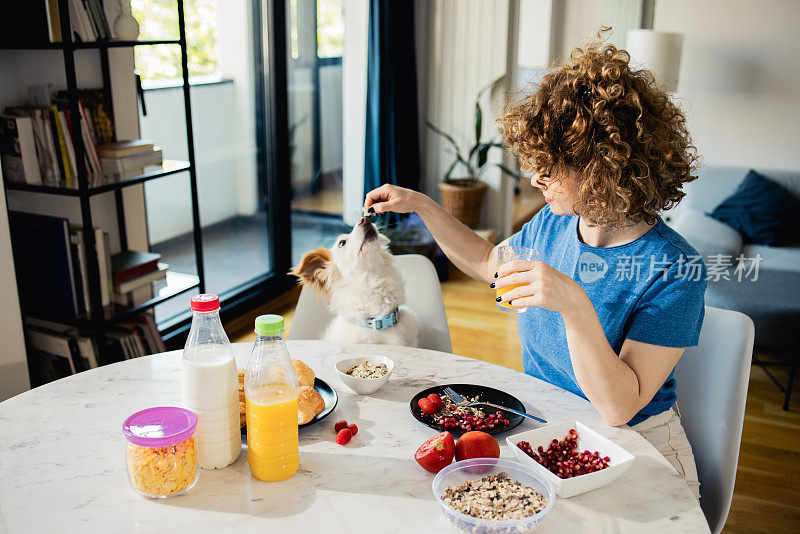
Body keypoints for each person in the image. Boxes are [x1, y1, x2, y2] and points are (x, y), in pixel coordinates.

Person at [364, 38, 704, 498]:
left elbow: (619, 407)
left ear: (604, 167)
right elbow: (488, 262)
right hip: (550, 426)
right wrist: (424, 206)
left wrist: (574, 304)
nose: (532, 178)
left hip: (639, 445)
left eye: (549, 166)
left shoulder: (674, 268)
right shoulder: (553, 222)